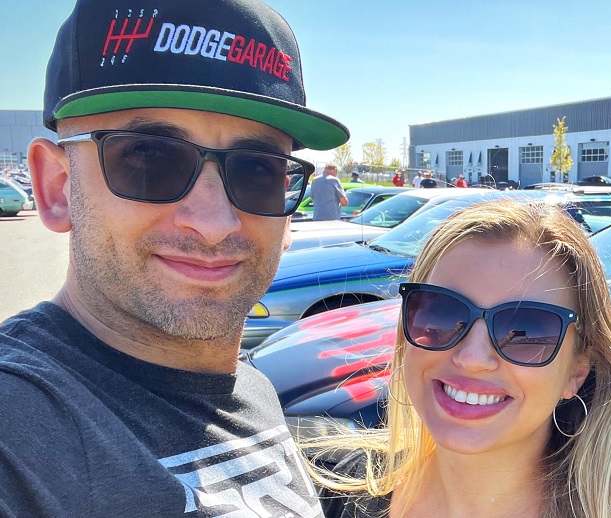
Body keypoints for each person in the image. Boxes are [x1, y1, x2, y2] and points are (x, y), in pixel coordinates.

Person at [0, 0, 349, 516]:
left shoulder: (248, 386)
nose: (214, 223)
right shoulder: (20, 422)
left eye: (258, 170)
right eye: (148, 158)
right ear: (57, 188)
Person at [307, 201, 611, 518]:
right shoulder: (324, 493)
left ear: (576, 372)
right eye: (443, 313)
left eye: (526, 329)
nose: (472, 358)